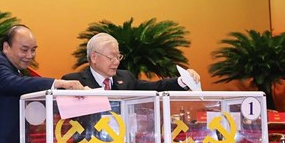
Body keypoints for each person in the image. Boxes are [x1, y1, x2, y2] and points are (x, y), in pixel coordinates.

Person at [62, 33, 201, 91]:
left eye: (118, 56)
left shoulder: (126, 78)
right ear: (94, 57)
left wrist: (183, 80)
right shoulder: (73, 82)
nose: (116, 62)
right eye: (111, 57)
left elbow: (155, 87)